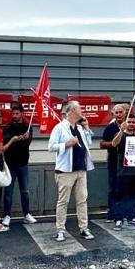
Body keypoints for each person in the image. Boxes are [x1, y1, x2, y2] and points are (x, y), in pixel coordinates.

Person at [47, 100, 95, 242]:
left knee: (82, 200)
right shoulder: (59, 128)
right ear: (72, 111)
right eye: (79, 109)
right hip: (66, 170)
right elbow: (51, 147)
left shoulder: (79, 128)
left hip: (81, 169)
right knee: (63, 201)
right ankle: (60, 229)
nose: (82, 112)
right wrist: (67, 144)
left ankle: (84, 227)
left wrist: (86, 128)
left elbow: (89, 143)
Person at [1, 108, 37, 227]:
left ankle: (26, 214)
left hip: (23, 163)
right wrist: (15, 139)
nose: (14, 116)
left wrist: (27, 137)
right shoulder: (8, 127)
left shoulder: (27, 126)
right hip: (10, 164)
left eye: (17, 113)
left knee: (25, 191)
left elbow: (28, 143)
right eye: (13, 114)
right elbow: (5, 143)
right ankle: (7, 215)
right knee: (8, 192)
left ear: (22, 114)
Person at [115, 117, 135, 228]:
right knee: (121, 195)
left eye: (133, 122)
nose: (131, 124)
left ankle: (131, 217)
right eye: (129, 122)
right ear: (125, 123)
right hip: (123, 171)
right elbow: (114, 144)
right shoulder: (121, 134)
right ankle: (119, 218)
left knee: (133, 196)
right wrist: (121, 131)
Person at [101, 104, 130, 224]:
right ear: (113, 114)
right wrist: (113, 144)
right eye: (116, 113)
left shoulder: (131, 125)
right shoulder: (110, 127)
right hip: (113, 161)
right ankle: (111, 213)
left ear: (125, 113)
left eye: (120, 112)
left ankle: (124, 213)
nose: (118, 115)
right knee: (113, 187)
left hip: (128, 163)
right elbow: (102, 144)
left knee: (126, 188)